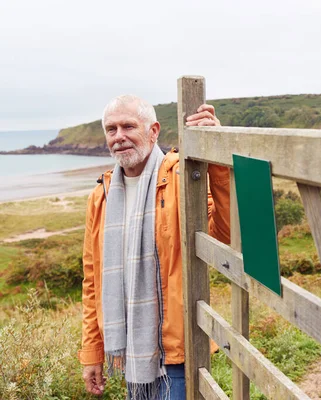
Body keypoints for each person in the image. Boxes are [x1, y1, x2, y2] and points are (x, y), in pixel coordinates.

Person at [78, 95, 230, 399]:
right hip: (131, 353)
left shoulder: (181, 177)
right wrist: (92, 351)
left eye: (128, 126)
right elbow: (93, 280)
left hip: (176, 350)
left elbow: (225, 235)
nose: (119, 136)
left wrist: (217, 157)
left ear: (153, 131)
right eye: (111, 129)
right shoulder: (102, 196)